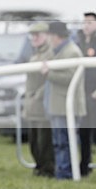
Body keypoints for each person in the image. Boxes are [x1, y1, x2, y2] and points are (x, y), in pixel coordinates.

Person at [41, 21, 86, 179]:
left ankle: (65, 173)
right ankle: (63, 171)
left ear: (56, 36)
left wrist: (48, 74)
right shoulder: (57, 51)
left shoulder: (71, 52)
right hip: (58, 105)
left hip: (67, 106)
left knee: (64, 142)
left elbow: (70, 77)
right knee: (60, 142)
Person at [74, 12, 96, 177]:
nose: (86, 25)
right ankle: (84, 166)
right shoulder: (79, 41)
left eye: (90, 22)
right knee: (83, 133)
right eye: (84, 22)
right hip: (82, 93)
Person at [24, 22, 55, 177]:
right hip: (31, 102)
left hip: (42, 102)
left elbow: (50, 78)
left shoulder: (50, 53)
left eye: (38, 35)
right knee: (34, 139)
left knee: (45, 140)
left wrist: (39, 94)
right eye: (33, 35)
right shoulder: (34, 54)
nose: (35, 38)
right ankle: (39, 166)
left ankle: (47, 168)